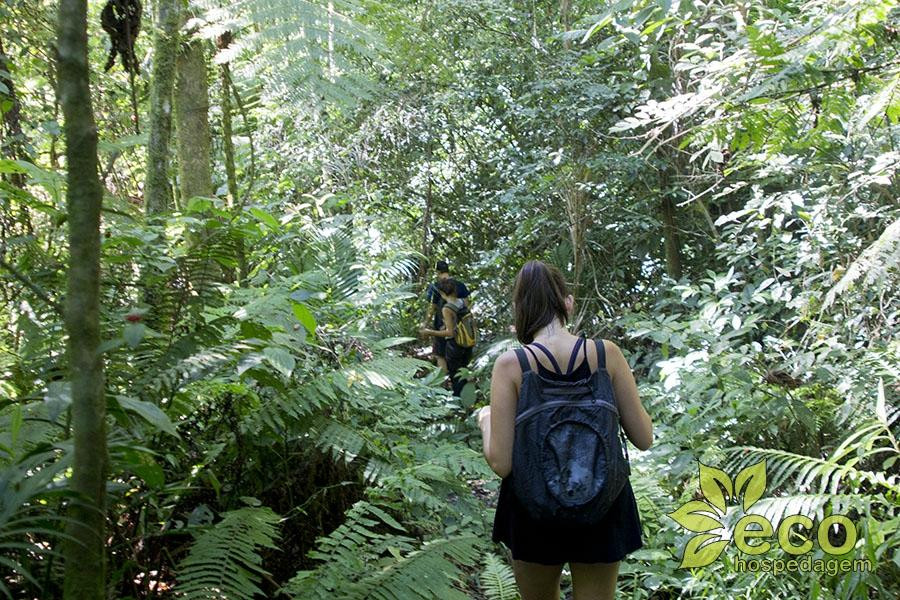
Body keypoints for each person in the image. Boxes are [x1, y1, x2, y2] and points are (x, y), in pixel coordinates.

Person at [476, 260, 653, 600]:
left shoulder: (511, 365)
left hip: (533, 507)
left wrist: (486, 420)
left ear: (520, 310)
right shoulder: (607, 355)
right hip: (602, 504)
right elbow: (644, 439)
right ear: (567, 303)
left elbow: (501, 463)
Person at [419, 278, 473, 396]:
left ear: (443, 293)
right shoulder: (461, 302)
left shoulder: (447, 308)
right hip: (467, 342)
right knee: (463, 369)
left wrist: (430, 332)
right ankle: (469, 398)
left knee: (455, 373)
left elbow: (450, 333)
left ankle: (459, 401)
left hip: (455, 344)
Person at [422, 260, 471, 371]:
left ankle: (443, 384)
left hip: (441, 325)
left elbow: (432, 308)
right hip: (459, 326)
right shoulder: (460, 285)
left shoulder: (436, 287)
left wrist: (426, 323)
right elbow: (466, 305)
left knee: (440, 355)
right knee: (459, 357)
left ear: (437, 272)